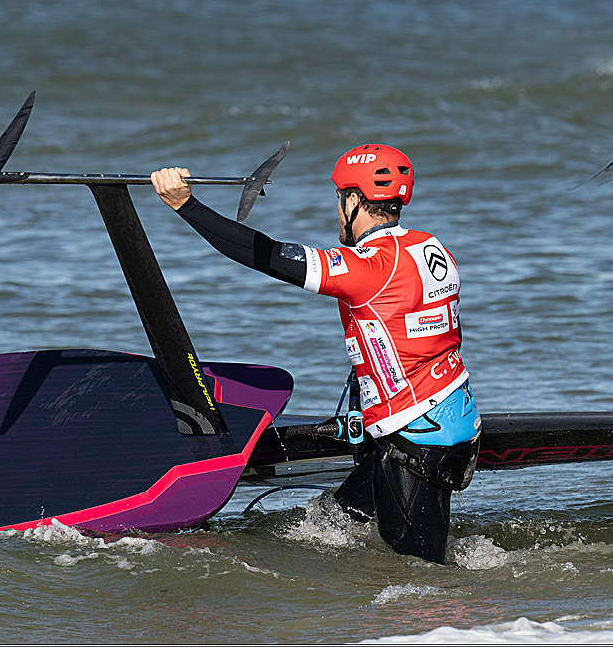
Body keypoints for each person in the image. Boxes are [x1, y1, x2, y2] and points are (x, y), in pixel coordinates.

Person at [151, 144, 480, 563]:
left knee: (422, 576)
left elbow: (264, 254)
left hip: (414, 438)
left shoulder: (368, 268)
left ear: (355, 200)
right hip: (447, 420)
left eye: (340, 197)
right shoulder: (431, 249)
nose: (337, 209)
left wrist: (186, 205)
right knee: (326, 523)